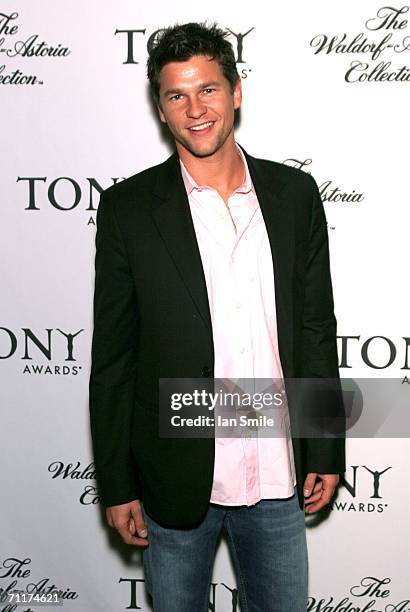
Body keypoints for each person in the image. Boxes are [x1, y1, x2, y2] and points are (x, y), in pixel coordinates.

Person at [89, 21, 345, 612]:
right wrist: (118, 483)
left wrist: (326, 446)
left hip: (277, 473)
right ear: (160, 107)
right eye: (176, 95)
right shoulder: (128, 209)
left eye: (207, 89)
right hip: (173, 478)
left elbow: (313, 331)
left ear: (235, 92)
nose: (194, 109)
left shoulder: (294, 194)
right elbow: (114, 360)